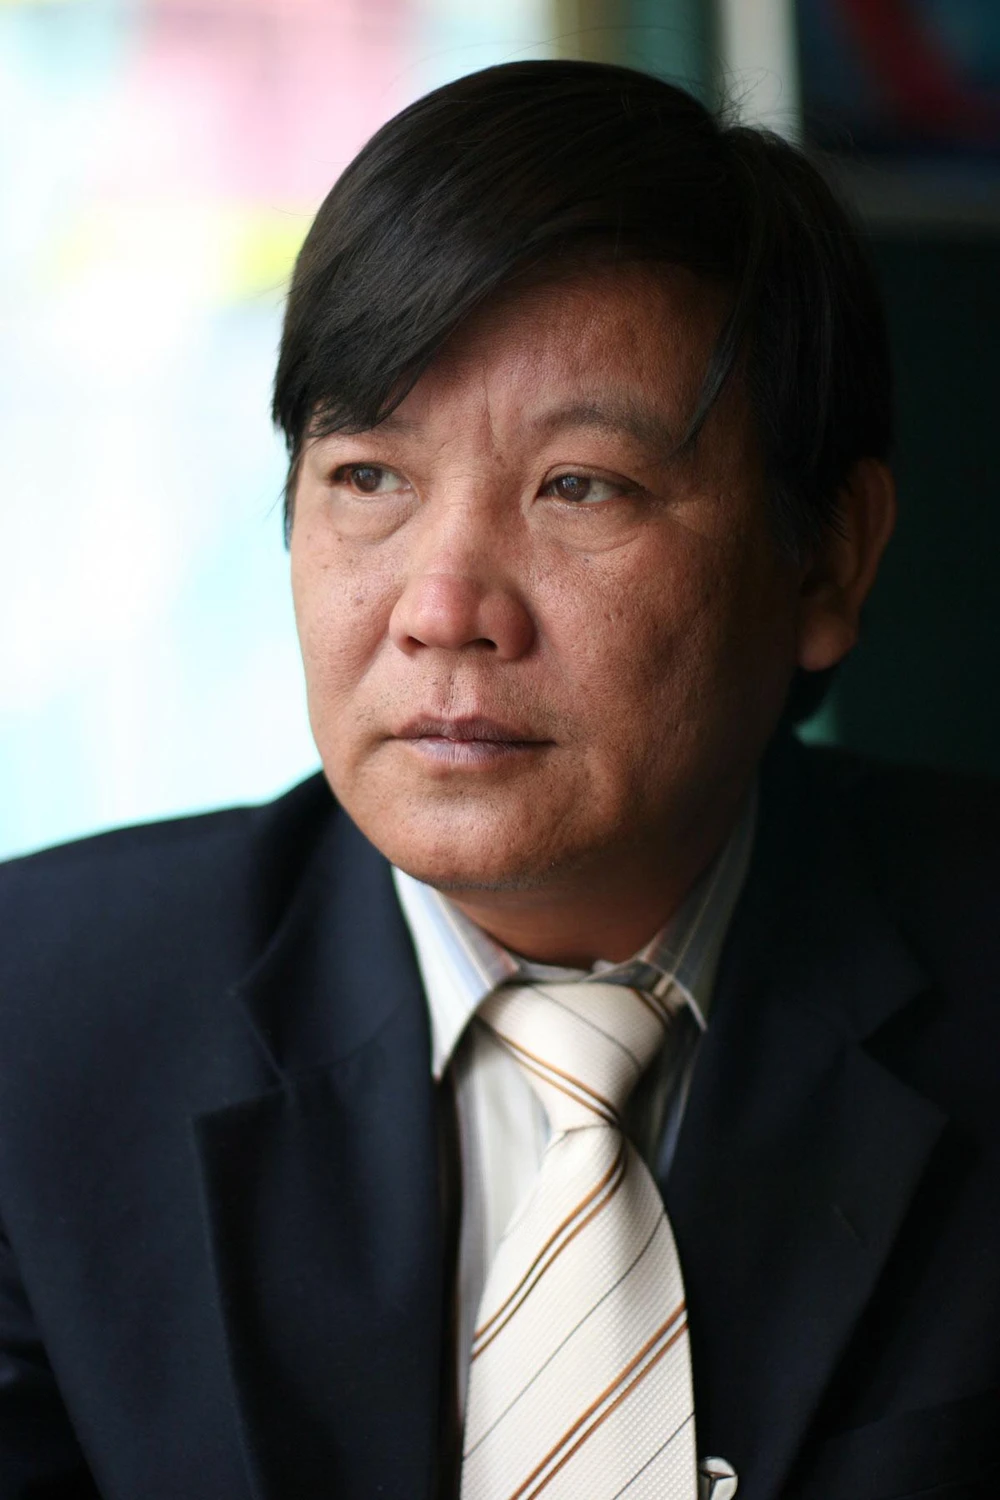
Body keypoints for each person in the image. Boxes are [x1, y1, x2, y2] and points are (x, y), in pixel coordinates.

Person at [0, 58, 997, 1500]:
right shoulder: (38, 1025)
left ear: (829, 558)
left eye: (579, 486)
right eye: (368, 477)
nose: (442, 607)